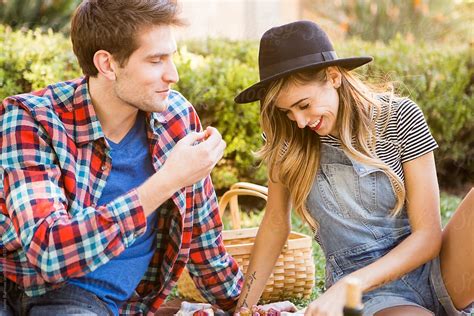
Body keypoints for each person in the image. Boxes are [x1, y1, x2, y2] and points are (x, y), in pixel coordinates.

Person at [0, 1, 243, 315]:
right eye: (156, 60)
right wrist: (167, 181)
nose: (174, 75)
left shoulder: (176, 118)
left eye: (172, 57)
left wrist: (246, 306)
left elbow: (204, 243)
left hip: (93, 304)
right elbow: (49, 252)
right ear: (107, 64)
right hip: (23, 286)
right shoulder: (32, 119)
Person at [233, 20, 474, 316]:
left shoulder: (401, 117)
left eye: (304, 105)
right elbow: (274, 224)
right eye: (287, 112)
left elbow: (428, 238)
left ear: (333, 76)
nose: (299, 121)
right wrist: (242, 309)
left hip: (435, 271)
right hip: (371, 297)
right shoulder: (286, 142)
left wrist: (351, 284)